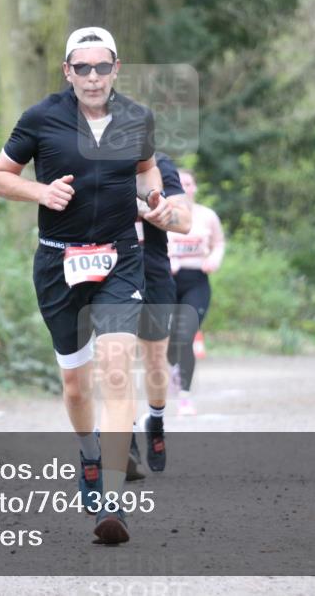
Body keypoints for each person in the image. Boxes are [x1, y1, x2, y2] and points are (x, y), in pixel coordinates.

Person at [0, 26, 169, 545]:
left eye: (102, 67)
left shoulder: (137, 118)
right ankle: (89, 456)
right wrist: (40, 192)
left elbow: (148, 169)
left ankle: (111, 498)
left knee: (115, 370)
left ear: (116, 69)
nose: (93, 77)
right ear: (68, 71)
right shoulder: (41, 118)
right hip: (57, 264)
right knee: (75, 383)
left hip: (120, 260)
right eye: (82, 68)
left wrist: (154, 198)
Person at [129, 152, 191, 475]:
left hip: (151, 268)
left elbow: (185, 222)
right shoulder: (93, 163)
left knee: (154, 359)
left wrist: (150, 209)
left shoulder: (161, 166)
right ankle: (123, 436)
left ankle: (155, 420)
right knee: (116, 354)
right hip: (108, 269)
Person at [167, 169, 225, 416]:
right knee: (168, 341)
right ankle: (174, 367)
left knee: (186, 334)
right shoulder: (163, 213)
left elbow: (219, 243)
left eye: (188, 183)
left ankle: (185, 397)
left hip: (196, 281)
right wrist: (168, 258)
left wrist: (214, 259)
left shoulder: (207, 216)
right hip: (167, 281)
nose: (184, 187)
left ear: (194, 187)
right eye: (178, 183)